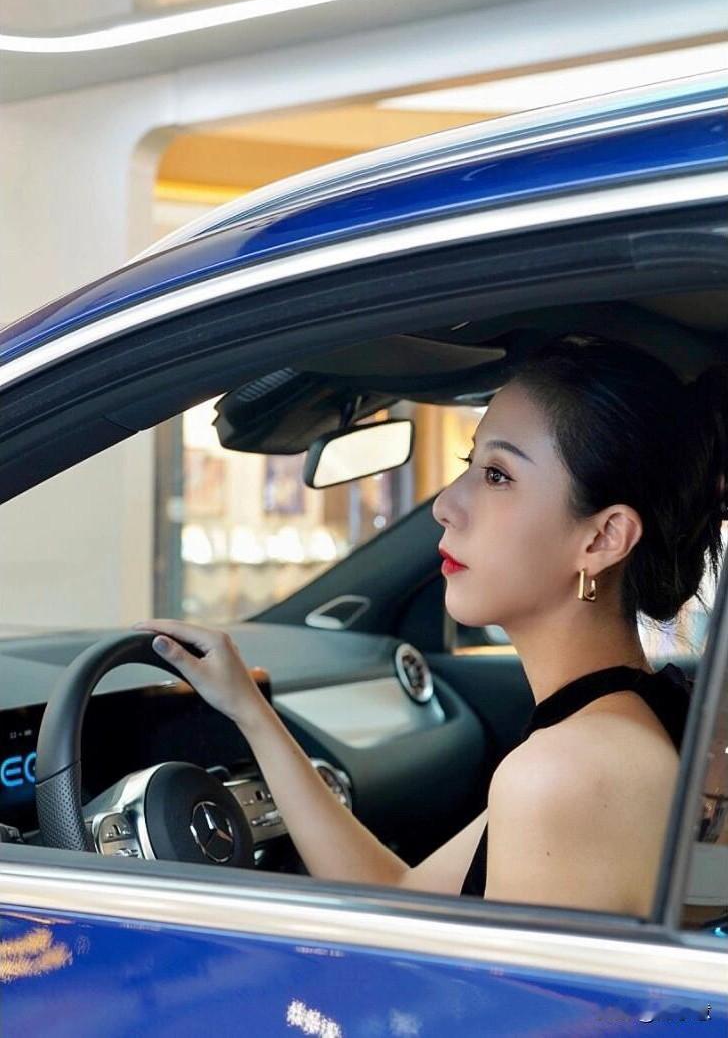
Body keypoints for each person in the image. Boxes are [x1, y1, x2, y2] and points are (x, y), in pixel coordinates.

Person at [136, 333, 728, 917]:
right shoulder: (648, 718)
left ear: (603, 539)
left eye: (497, 474)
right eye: (472, 463)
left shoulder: (563, 772)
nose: (445, 504)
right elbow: (399, 892)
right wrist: (251, 711)